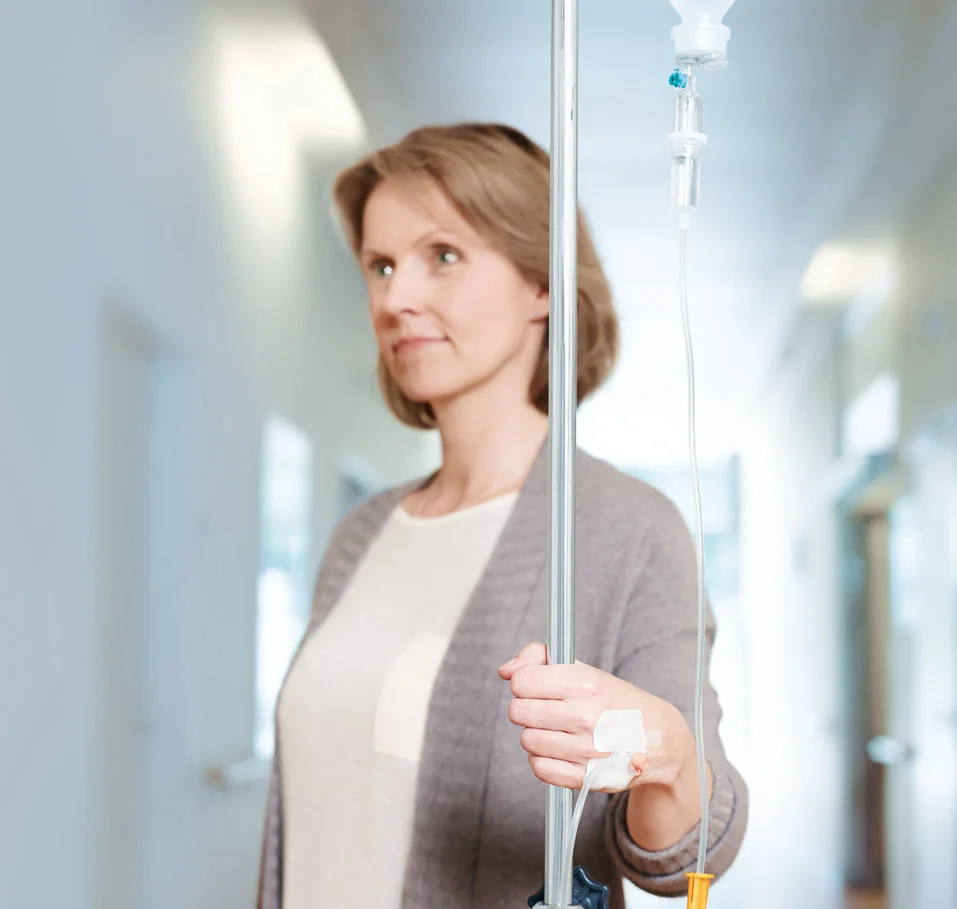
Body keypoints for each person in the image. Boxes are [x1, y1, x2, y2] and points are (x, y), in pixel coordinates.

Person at [256, 122, 747, 909]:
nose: (395, 298)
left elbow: (689, 857)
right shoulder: (362, 532)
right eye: (380, 265)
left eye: (442, 255)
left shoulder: (627, 530)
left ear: (542, 283)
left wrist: (668, 754)